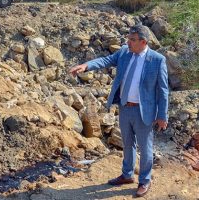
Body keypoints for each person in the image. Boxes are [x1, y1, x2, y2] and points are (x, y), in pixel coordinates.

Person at [69, 25, 169, 197]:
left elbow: (163, 90)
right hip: (125, 108)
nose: (127, 42)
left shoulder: (157, 60)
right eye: (128, 38)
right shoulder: (124, 52)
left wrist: (162, 115)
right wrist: (86, 66)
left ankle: (145, 181)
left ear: (143, 42)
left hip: (144, 111)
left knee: (145, 148)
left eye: (132, 40)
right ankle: (127, 174)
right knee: (127, 143)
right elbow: (105, 60)